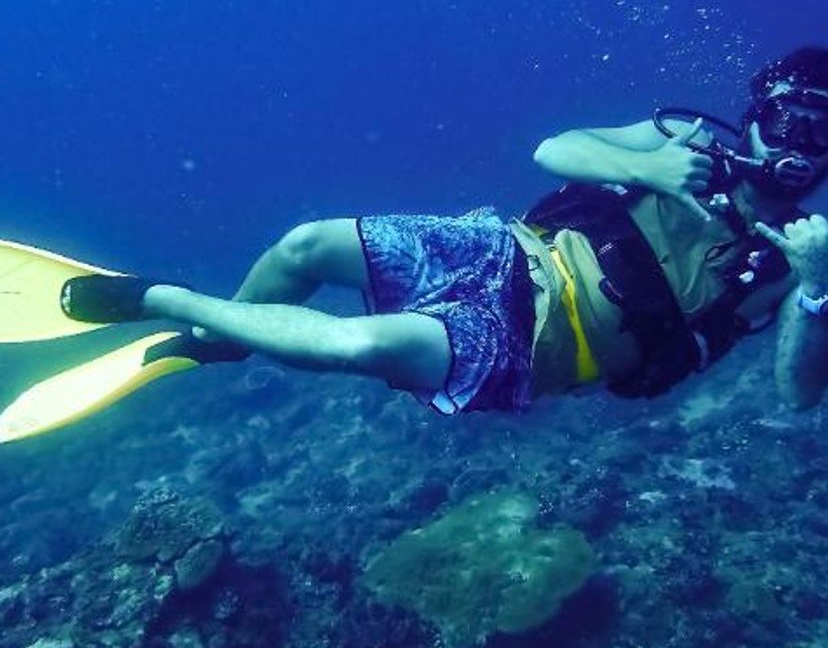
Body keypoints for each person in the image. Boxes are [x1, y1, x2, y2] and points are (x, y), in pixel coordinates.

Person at [62, 47, 828, 415]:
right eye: (787, 121)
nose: (797, 146)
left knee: (358, 346)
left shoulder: (804, 254)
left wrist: (817, 286)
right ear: (756, 115)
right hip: (502, 252)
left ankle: (163, 299)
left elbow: (797, 394)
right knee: (305, 246)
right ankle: (225, 336)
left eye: (821, 133)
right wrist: (650, 167)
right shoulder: (683, 142)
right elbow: (553, 149)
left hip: (540, 346)